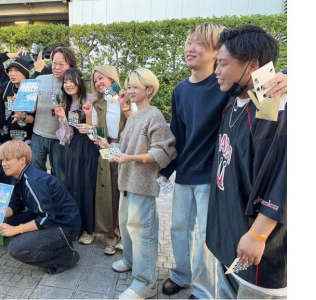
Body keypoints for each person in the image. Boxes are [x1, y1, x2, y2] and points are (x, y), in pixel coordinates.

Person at [158, 22, 288, 299]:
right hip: (198, 184)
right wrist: (166, 170)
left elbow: (285, 176)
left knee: (214, 243)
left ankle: (203, 290)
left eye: (221, 61)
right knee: (183, 230)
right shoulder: (206, 94)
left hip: (233, 201)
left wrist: (292, 75)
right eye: (188, 41)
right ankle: (185, 277)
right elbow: (177, 135)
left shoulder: (253, 97)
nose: (190, 48)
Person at [206, 25, 287, 299]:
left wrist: (259, 234)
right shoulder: (231, 103)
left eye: (222, 64)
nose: (216, 70)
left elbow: (285, 177)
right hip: (229, 233)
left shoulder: (275, 106)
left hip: (257, 245)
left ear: (252, 65)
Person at [95, 68, 177, 299]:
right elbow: (124, 149)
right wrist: (106, 145)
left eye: (135, 87)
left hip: (142, 183)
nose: (130, 90)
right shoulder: (134, 115)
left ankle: (146, 283)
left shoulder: (154, 115)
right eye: (128, 86)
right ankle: (131, 260)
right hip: (127, 182)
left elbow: (164, 150)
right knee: (128, 226)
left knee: (143, 233)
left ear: (149, 90)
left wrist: (130, 158)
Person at [0, 140, 81, 274]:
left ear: (22, 160)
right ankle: (55, 245)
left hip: (64, 226)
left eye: (8, 159)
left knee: (16, 249)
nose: (4, 163)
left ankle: (65, 256)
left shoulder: (34, 181)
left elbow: (46, 219)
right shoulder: (17, 176)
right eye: (2, 160)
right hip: (49, 218)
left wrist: (16, 229)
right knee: (6, 222)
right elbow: (16, 206)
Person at [83, 65, 132, 252]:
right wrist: (88, 116)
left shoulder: (125, 97)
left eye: (101, 78)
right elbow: (93, 135)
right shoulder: (98, 104)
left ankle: (125, 234)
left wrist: (124, 106)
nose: (98, 83)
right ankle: (112, 234)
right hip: (106, 149)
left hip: (128, 149)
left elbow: (136, 121)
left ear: (112, 78)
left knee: (126, 192)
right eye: (95, 80)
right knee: (110, 192)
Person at [54, 68, 100, 245]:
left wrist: (89, 127)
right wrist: (63, 118)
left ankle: (90, 230)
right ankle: (76, 226)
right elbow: (66, 136)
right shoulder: (65, 104)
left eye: (72, 81)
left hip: (90, 147)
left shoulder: (91, 99)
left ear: (79, 81)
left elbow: (99, 127)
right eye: (65, 82)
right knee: (73, 186)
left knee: (88, 187)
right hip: (73, 149)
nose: (68, 84)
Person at [30, 46, 77, 184]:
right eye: (54, 63)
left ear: (70, 65)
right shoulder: (41, 79)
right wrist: (22, 102)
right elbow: (32, 109)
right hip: (38, 135)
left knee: (61, 176)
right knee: (36, 173)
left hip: (60, 138)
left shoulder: (73, 84)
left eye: (61, 64)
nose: (56, 67)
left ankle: (60, 204)